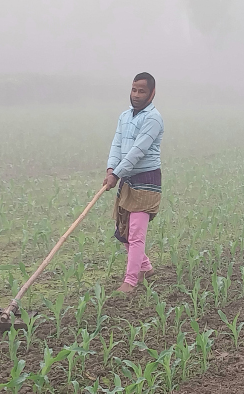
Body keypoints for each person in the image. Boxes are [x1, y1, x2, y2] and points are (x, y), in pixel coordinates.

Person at [103, 72, 163, 294]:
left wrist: (116, 174)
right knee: (124, 231)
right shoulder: (124, 116)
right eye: (134, 90)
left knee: (136, 233)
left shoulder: (153, 118)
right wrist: (111, 169)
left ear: (152, 93)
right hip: (126, 178)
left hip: (146, 179)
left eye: (142, 91)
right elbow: (117, 144)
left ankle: (130, 281)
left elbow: (138, 151)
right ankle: (145, 267)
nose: (136, 95)